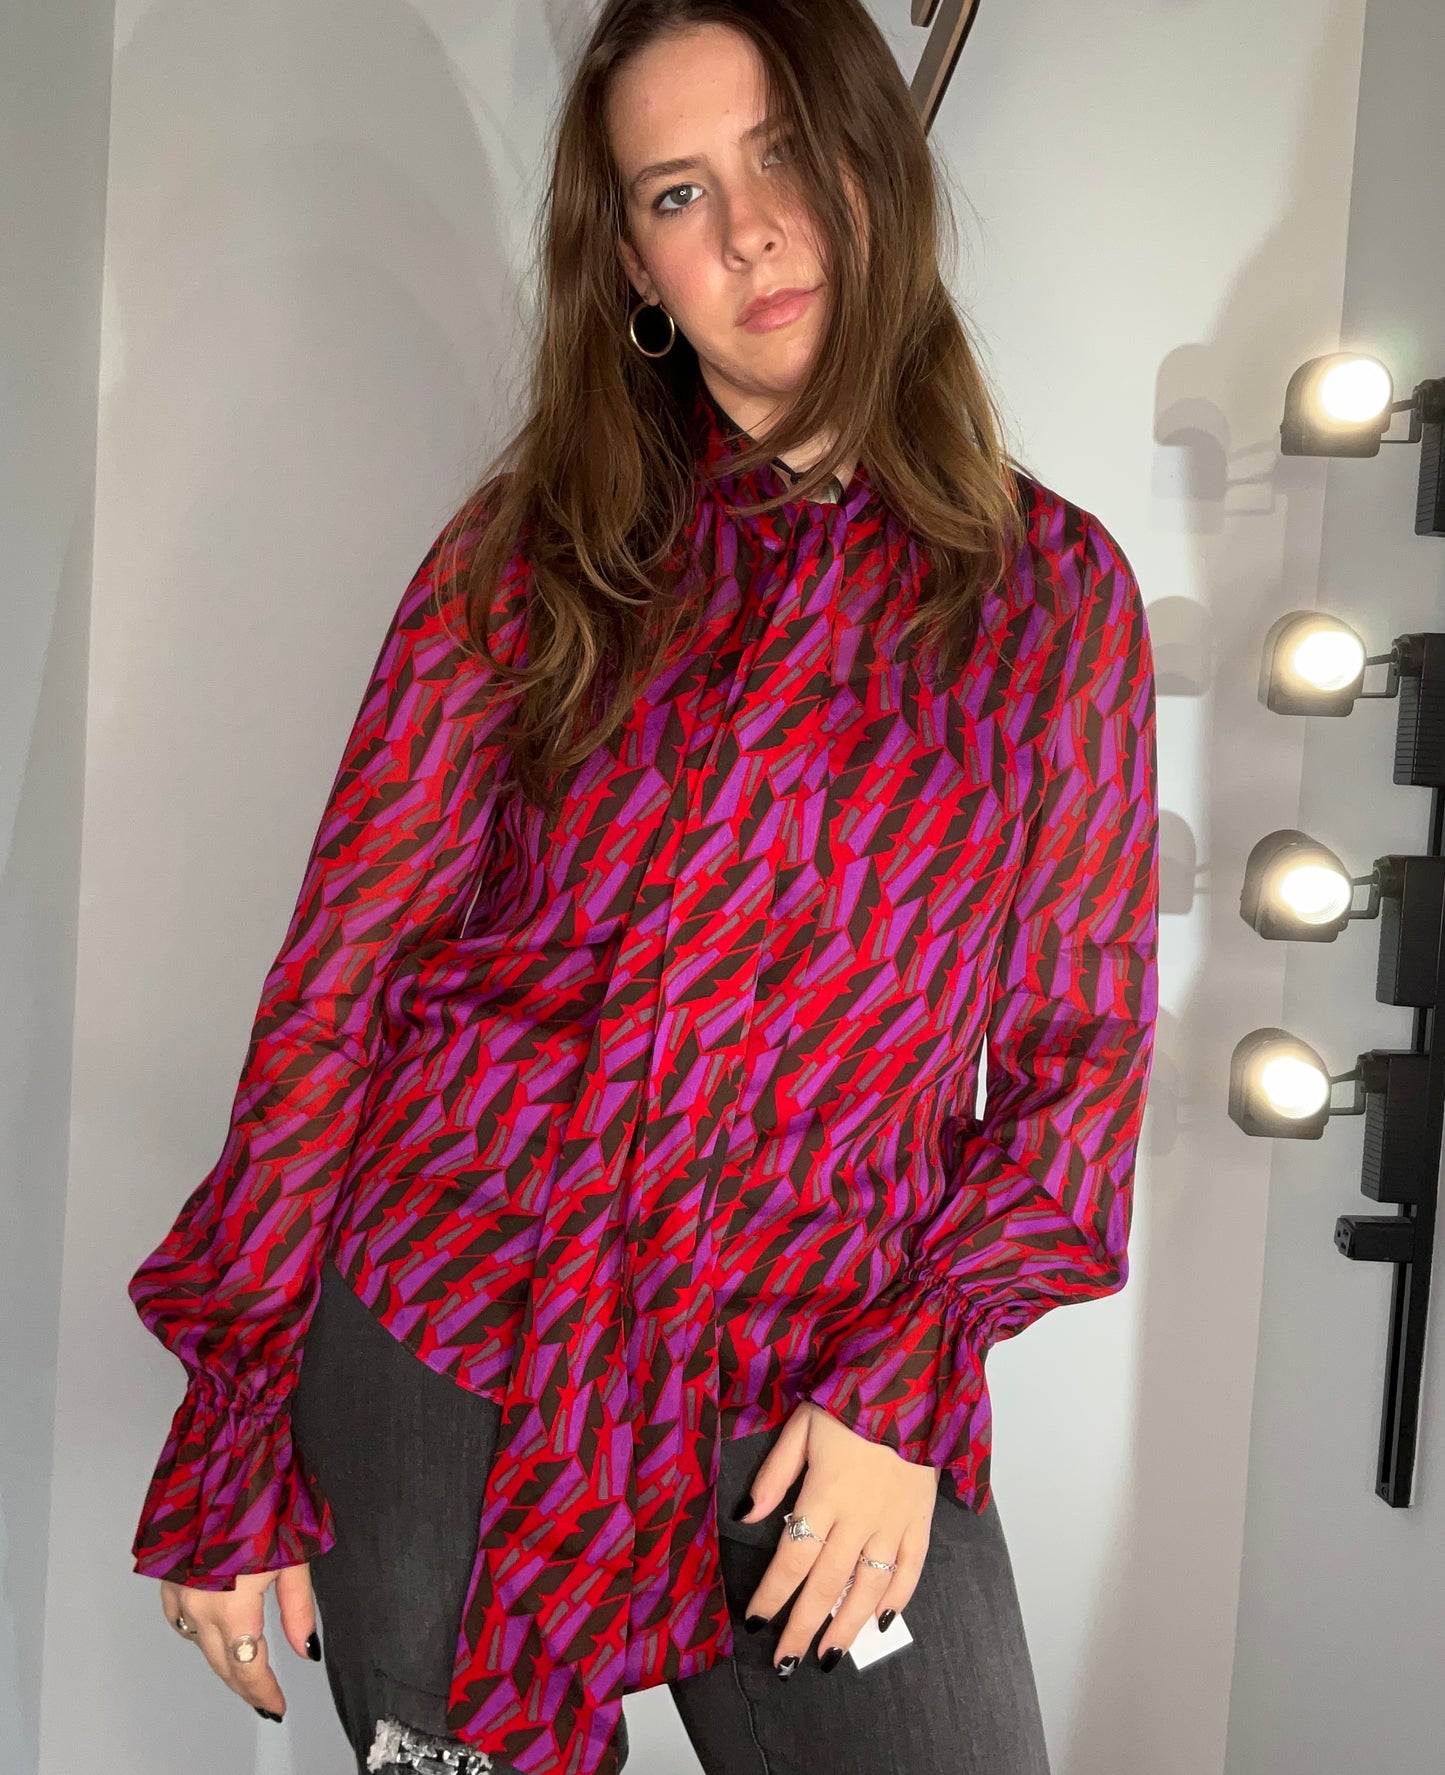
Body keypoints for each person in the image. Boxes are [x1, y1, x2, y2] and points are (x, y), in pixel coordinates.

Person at [126, 3, 1161, 1774]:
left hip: (822, 1372)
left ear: (873, 165)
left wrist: (912, 1374)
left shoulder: (1051, 596)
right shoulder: (522, 560)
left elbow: (1081, 1057)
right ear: (631, 265)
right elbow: (342, 987)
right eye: (678, 193)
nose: (749, 229)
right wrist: (234, 1412)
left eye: (783, 154)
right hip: (460, 1329)